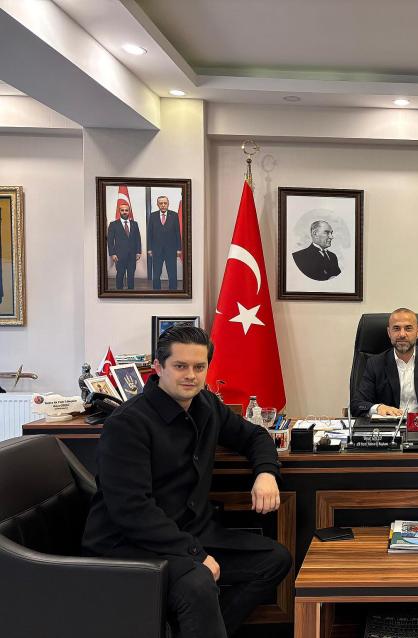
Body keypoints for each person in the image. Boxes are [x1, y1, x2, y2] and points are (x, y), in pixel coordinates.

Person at [82, 326, 290, 638]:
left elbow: (255, 436)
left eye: (199, 367)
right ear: (158, 367)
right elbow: (132, 510)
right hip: (131, 544)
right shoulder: (127, 423)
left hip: (191, 533)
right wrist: (195, 554)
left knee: (274, 559)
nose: (191, 375)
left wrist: (266, 473)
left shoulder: (205, 403)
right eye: (180, 366)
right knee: (197, 582)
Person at [352, 308, 418, 418]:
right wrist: (378, 408)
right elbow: (357, 404)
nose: (402, 334)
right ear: (389, 332)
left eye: (408, 328)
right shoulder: (375, 363)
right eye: (396, 328)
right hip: (389, 426)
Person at [147, 195, 182, 290]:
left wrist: (179, 249)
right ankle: (156, 291)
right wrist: (149, 249)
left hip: (171, 250)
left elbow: (177, 233)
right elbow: (149, 233)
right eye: (161, 203)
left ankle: (173, 291)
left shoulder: (174, 215)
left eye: (165, 203)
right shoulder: (153, 216)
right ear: (157, 204)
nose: (163, 205)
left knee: (172, 273)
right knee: (156, 273)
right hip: (156, 250)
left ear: (168, 204)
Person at [106, 203, 142, 289]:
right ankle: (119, 292)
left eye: (126, 210)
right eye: (122, 210)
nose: (124, 212)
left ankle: (131, 292)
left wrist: (138, 252)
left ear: (129, 211)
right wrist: (112, 254)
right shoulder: (113, 224)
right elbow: (110, 241)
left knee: (131, 275)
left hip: (132, 255)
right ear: (119, 211)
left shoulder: (135, 224)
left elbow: (138, 239)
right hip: (119, 255)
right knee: (120, 274)